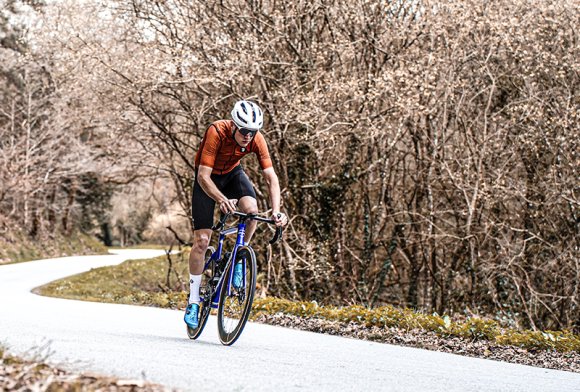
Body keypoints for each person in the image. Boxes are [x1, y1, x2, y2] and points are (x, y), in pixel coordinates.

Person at [184, 100, 288, 329]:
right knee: (202, 241)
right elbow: (203, 176)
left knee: (252, 211)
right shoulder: (217, 131)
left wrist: (277, 211)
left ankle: (240, 255)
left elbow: (271, 178)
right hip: (208, 179)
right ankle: (193, 300)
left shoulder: (256, 139)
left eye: (253, 132)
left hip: (232, 174)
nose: (248, 136)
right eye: (244, 131)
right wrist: (221, 199)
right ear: (233, 125)